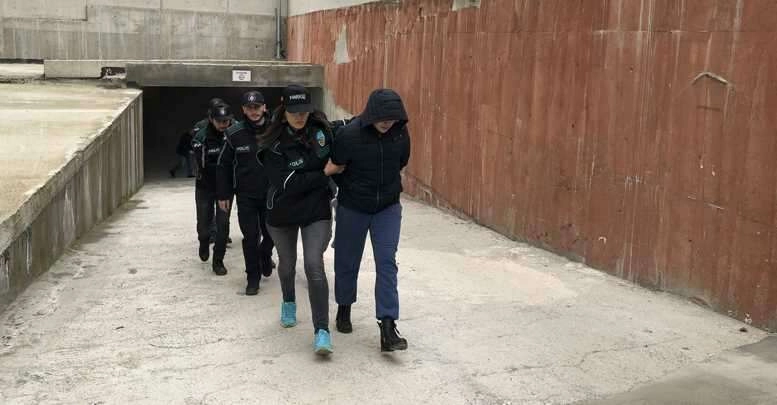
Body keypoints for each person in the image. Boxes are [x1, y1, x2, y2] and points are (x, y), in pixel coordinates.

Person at [259, 84, 342, 355]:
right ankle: (288, 301)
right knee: (287, 263)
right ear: (284, 110)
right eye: (294, 111)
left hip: (315, 209)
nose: (299, 116)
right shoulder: (272, 143)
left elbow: (346, 139)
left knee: (313, 264)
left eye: (304, 111)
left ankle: (322, 331)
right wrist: (324, 173)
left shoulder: (322, 132)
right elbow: (287, 184)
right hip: (282, 211)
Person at [330, 89, 411, 352]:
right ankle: (344, 307)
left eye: (393, 117)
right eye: (383, 117)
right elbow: (336, 167)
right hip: (353, 207)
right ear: (372, 113)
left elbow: (401, 161)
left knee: (387, 262)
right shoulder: (349, 135)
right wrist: (352, 189)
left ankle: (388, 326)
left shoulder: (400, 133)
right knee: (347, 260)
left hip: (387, 207)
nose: (388, 122)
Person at [217, 91, 275, 296]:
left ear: (264, 107)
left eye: (257, 107)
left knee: (271, 234)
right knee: (250, 237)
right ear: (243, 110)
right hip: (246, 196)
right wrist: (223, 195)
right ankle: (252, 278)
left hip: (271, 195)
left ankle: (266, 254)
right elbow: (223, 165)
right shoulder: (234, 133)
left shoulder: (276, 129)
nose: (254, 111)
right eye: (249, 108)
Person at [192, 104, 234, 276]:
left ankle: (218, 260)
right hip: (205, 187)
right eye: (220, 121)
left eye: (226, 121)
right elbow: (201, 165)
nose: (223, 124)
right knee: (204, 224)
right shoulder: (201, 137)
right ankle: (203, 241)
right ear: (211, 120)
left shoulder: (233, 134)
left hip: (225, 189)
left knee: (223, 225)